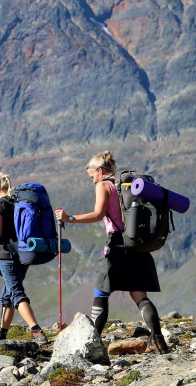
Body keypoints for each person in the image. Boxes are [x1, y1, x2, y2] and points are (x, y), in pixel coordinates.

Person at [55, 151, 169, 353]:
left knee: (101, 292)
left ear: (99, 171)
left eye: (92, 176)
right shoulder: (126, 185)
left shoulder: (103, 185)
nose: (92, 181)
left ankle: (93, 344)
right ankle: (158, 340)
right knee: (140, 295)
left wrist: (69, 218)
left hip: (116, 243)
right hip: (136, 244)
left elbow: (98, 214)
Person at [0, 172, 49, 344]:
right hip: (23, 254)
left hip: (7, 256)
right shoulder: (18, 202)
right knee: (7, 296)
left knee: (17, 293)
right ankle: (2, 334)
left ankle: (37, 332)